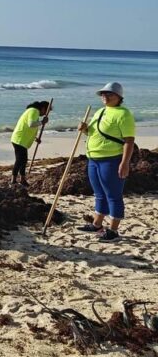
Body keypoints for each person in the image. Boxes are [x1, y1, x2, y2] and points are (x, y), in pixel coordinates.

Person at [78, 82, 136, 241]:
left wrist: (124, 163)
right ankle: (97, 224)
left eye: (109, 94)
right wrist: (84, 129)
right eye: (103, 94)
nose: (105, 96)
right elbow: (92, 132)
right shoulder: (100, 111)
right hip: (93, 158)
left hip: (111, 160)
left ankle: (113, 231)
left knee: (113, 195)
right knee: (99, 194)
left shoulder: (124, 114)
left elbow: (129, 141)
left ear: (119, 97)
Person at [10, 100, 50, 186]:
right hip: (19, 139)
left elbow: (29, 128)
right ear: (43, 108)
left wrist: (35, 138)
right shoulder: (34, 110)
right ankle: (13, 180)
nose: (45, 114)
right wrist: (42, 122)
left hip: (21, 139)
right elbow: (31, 124)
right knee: (20, 160)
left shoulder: (33, 111)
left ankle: (22, 179)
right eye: (47, 111)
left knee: (23, 160)